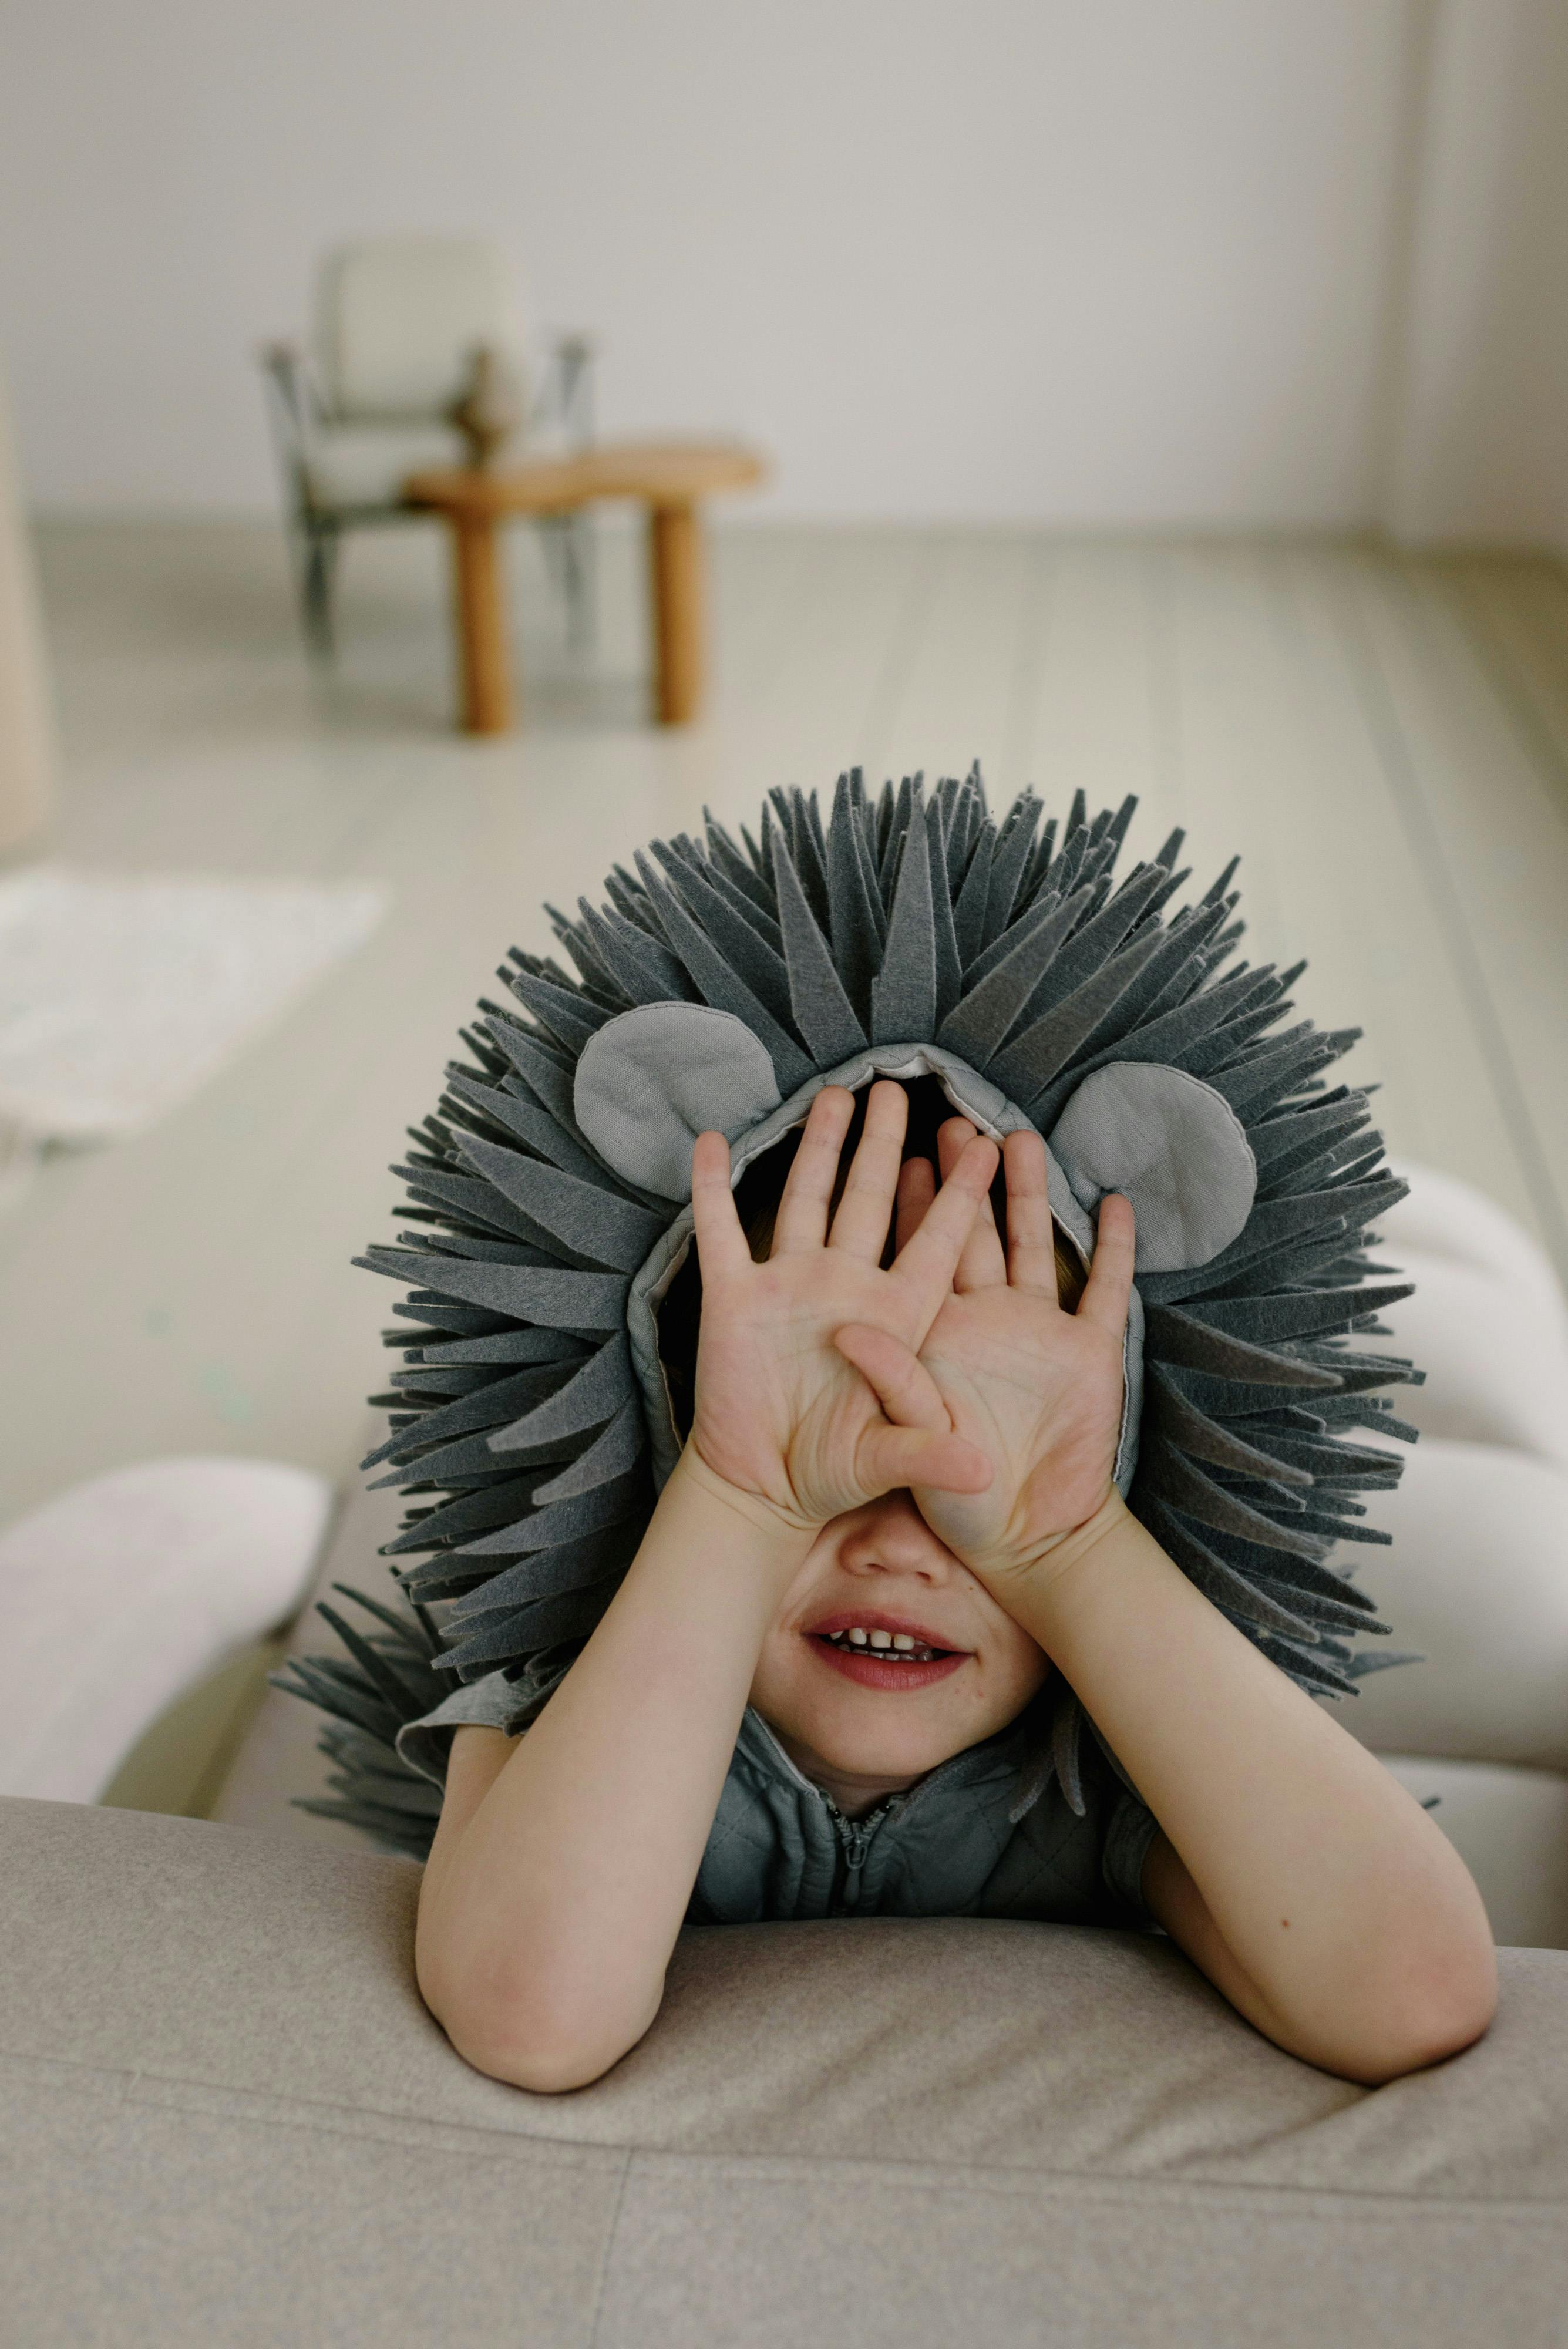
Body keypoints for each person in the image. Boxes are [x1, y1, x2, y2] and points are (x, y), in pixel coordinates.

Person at [410, 1079, 1496, 2096]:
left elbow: (1412, 1996)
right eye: (837, 1469)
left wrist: (1064, 1543)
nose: (901, 1548)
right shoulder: (551, 1703)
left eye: (963, 1476)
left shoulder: (1107, 1790)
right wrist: (741, 1497)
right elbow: (533, 2017)